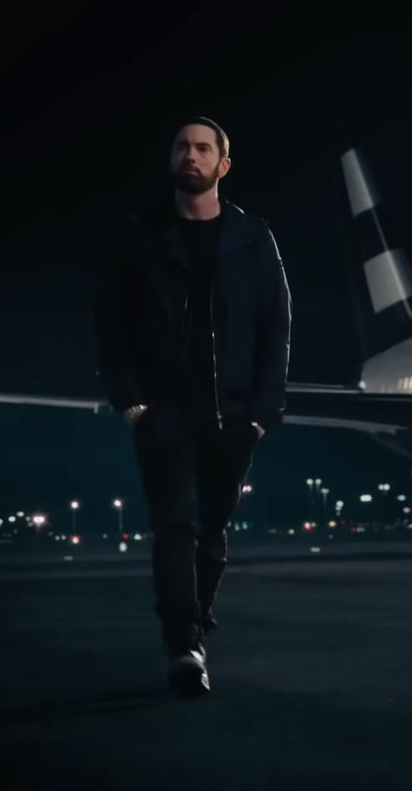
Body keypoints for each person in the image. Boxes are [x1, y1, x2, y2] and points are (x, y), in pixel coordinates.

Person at [93, 116, 291, 697]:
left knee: (211, 530)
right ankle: (182, 644)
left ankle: (194, 627)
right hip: (165, 409)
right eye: (182, 145)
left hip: (233, 413)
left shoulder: (254, 237)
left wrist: (261, 412)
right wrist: (131, 401)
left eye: (203, 148)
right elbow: (111, 322)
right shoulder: (141, 237)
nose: (191, 154)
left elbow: (275, 326)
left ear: (222, 166)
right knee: (175, 523)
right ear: (171, 159)